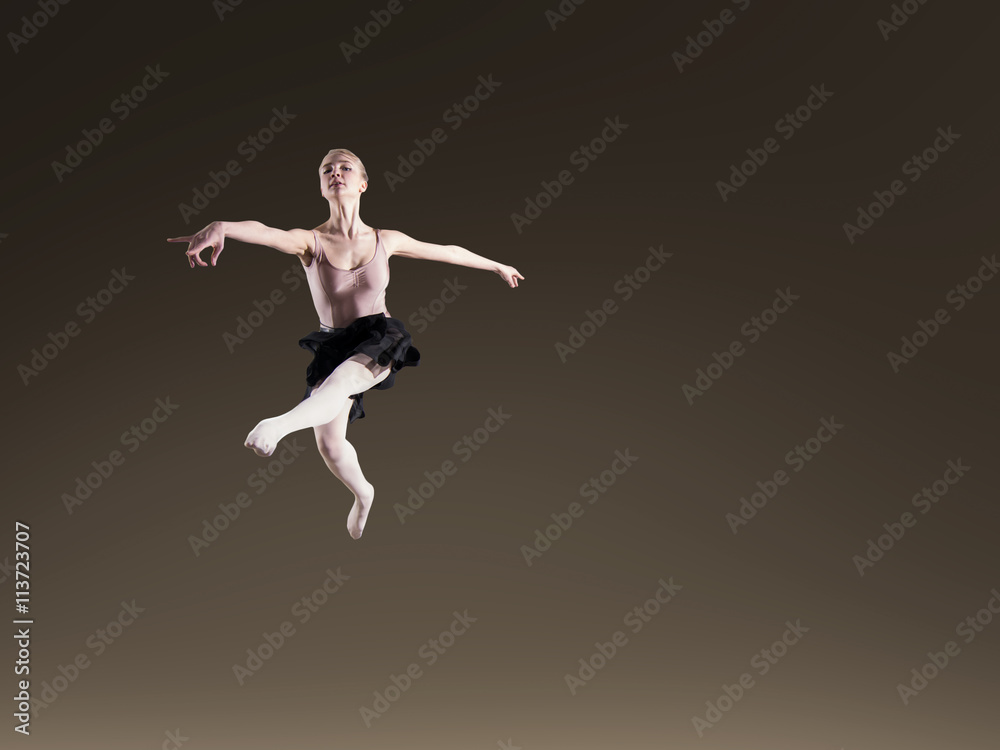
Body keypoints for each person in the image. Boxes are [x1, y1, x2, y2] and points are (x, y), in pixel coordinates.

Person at [168, 148, 524, 539]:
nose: (335, 173)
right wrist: (223, 225)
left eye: (345, 167)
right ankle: (364, 493)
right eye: (327, 170)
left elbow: (448, 252)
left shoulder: (385, 240)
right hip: (334, 343)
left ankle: (277, 426)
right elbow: (267, 232)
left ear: (362, 183)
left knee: (339, 385)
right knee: (331, 445)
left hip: (380, 336)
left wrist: (497, 265)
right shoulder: (310, 241)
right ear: (322, 187)